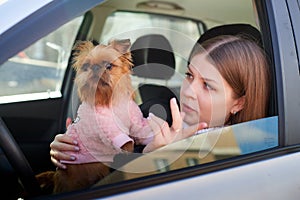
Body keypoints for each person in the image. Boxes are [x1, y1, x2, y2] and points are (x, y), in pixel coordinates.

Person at [50, 34, 270, 168]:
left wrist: (161, 159)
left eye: (208, 85)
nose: (188, 92)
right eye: (189, 75)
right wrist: (74, 150)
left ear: (238, 103)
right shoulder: (158, 112)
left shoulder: (229, 155)